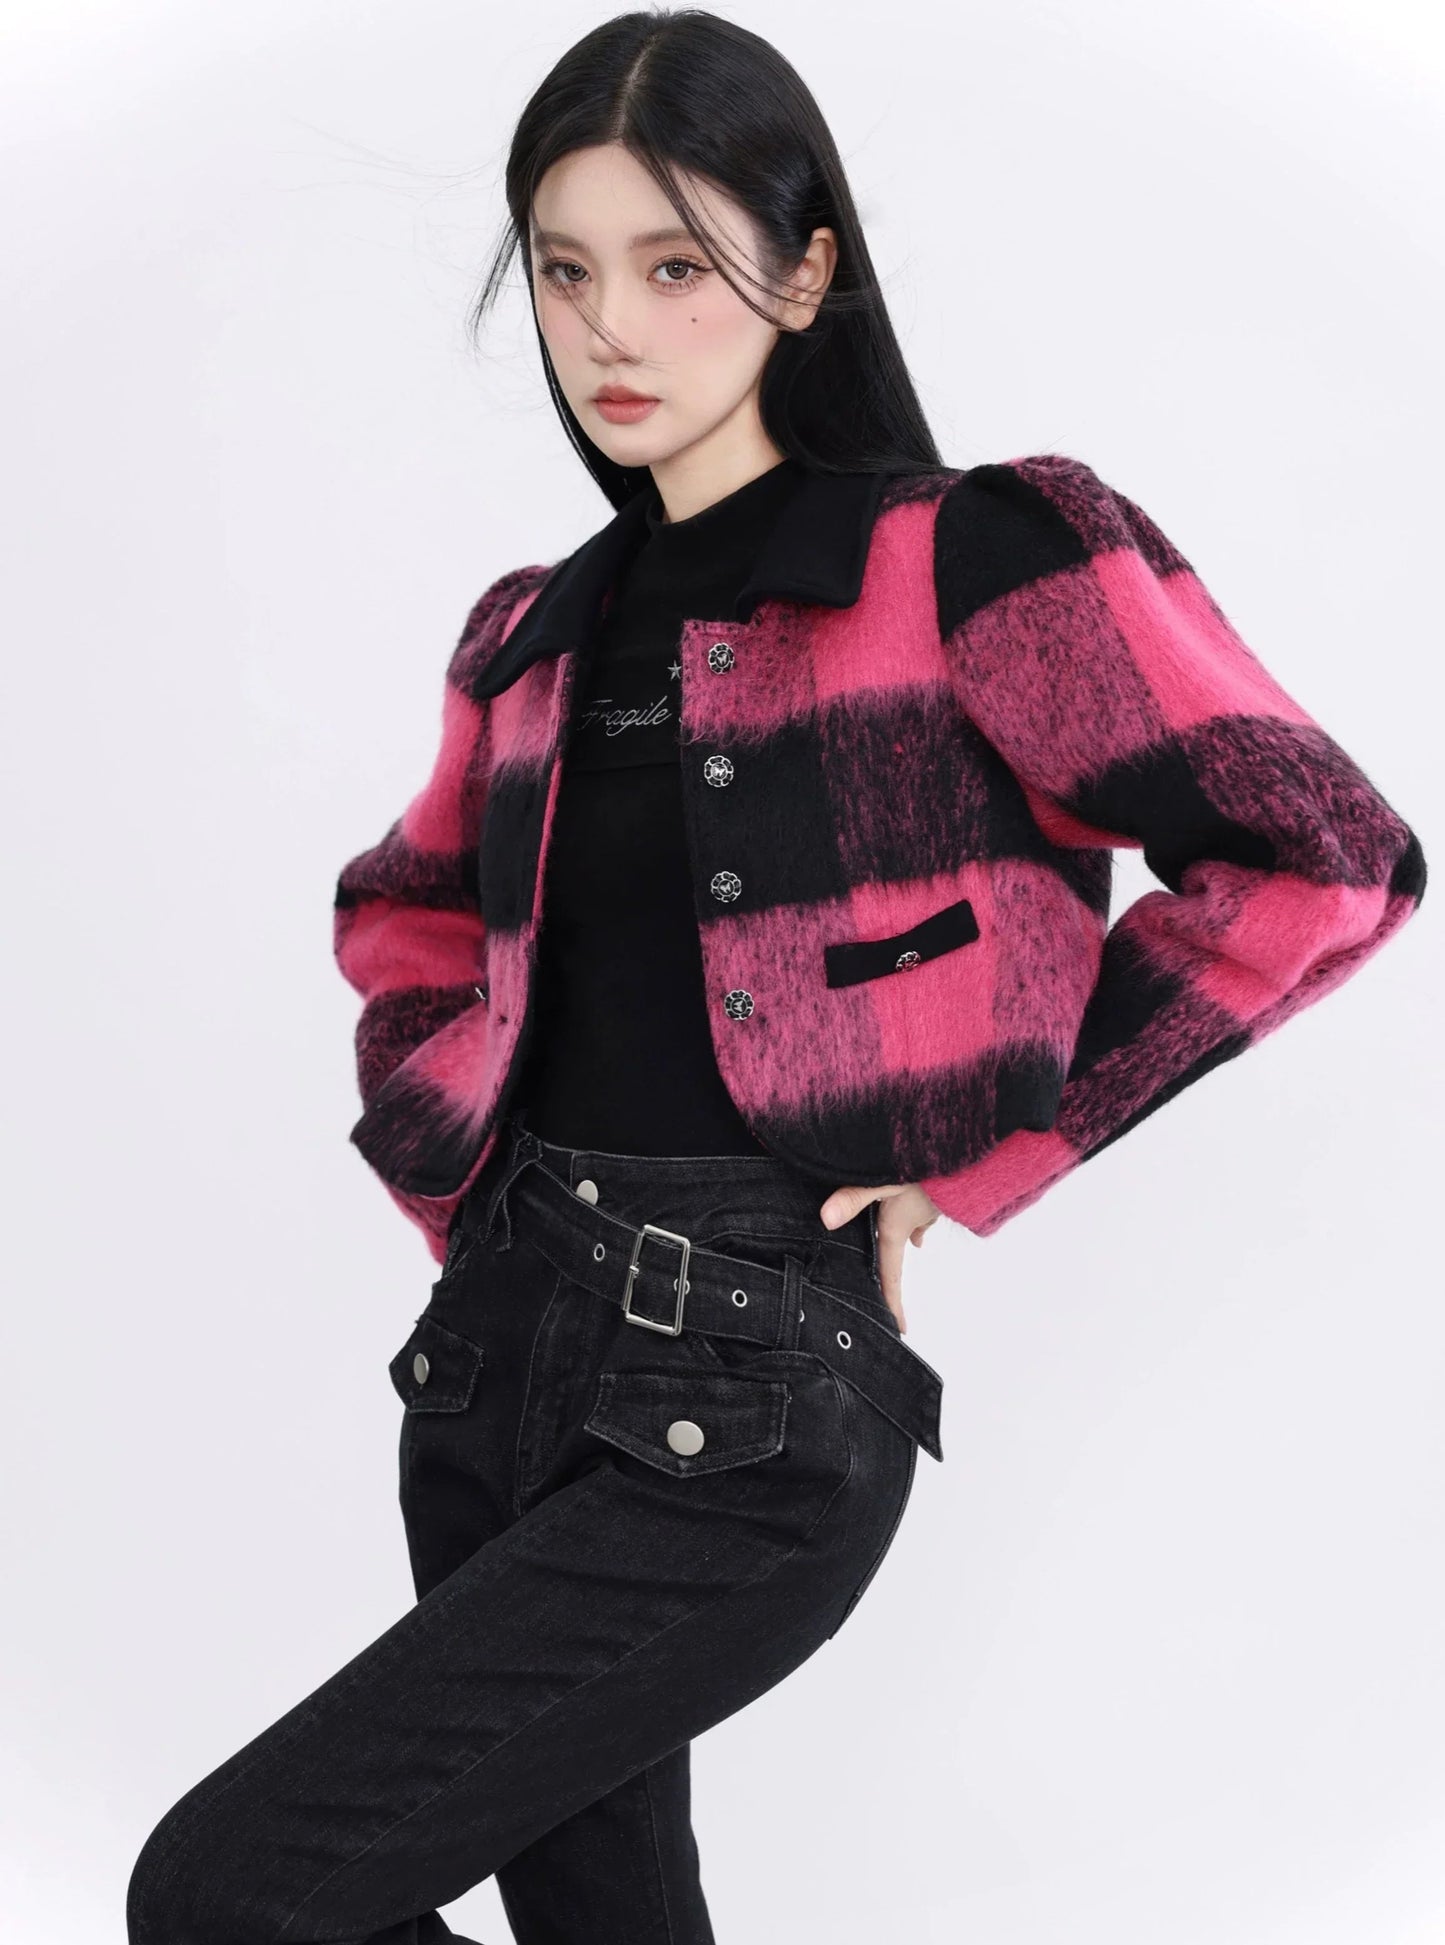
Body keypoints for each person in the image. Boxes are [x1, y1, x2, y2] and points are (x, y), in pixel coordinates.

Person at [126, 10, 1426, 1944]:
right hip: (491, 1357)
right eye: (565, 270)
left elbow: (1321, 854)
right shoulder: (528, 636)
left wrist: (996, 1151)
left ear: (803, 274)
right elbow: (404, 924)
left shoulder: (970, 558)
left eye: (675, 266)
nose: (611, 329)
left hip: (747, 1389)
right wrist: (462, 1187)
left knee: (229, 1891)